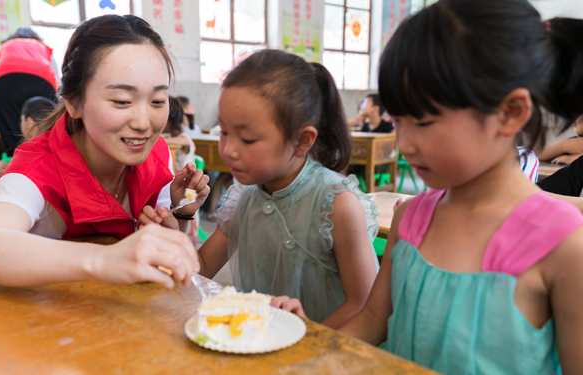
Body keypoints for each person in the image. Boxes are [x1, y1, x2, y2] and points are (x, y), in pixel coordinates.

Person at [329, 3, 583, 373]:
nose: (406, 144)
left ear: (510, 113)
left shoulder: (563, 245)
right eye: (398, 121)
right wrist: (307, 353)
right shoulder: (411, 217)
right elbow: (373, 320)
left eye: (425, 122)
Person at [0, 15, 209, 290]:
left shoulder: (155, 152)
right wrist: (105, 259)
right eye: (122, 101)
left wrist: (180, 217)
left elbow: (165, 255)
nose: (143, 123)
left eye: (158, 101)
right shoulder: (40, 167)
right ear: (74, 103)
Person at [185, 49, 379, 328]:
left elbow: (362, 303)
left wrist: (304, 335)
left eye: (248, 139)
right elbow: (202, 267)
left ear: (302, 141)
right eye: (224, 131)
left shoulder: (335, 203)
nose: (229, 150)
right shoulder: (242, 197)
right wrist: (177, 224)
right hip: (262, 341)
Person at [0, 28, 58, 157]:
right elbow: (55, 76)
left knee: (10, 130)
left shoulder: (6, 46)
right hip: (41, 80)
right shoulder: (42, 46)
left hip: (4, 82)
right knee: (46, 124)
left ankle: (15, 162)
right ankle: (48, 158)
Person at [0, 96, 57, 170]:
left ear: (29, 122)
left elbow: (17, 167)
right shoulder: (55, 144)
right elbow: (16, 165)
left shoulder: (33, 148)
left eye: (21, 119)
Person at [163, 96, 195, 172]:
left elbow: (161, 141)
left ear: (169, 119)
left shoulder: (185, 138)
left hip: (185, 181)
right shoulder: (168, 136)